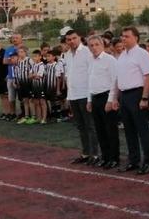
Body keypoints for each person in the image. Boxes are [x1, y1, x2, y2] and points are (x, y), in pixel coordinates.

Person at [113, 26, 149, 175]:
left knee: (142, 130)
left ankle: (148, 162)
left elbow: (148, 76)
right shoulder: (122, 55)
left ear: (136, 38)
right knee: (129, 130)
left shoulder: (142, 54)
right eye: (122, 36)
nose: (123, 39)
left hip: (137, 94)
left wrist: (144, 98)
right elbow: (118, 78)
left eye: (127, 36)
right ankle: (134, 160)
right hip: (124, 96)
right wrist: (116, 98)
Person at [64, 29, 100, 166]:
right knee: (81, 126)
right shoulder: (67, 54)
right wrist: (68, 96)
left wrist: (90, 97)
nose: (72, 41)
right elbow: (68, 76)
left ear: (80, 38)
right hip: (73, 95)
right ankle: (86, 153)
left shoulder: (87, 52)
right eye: (69, 39)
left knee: (90, 126)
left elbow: (92, 74)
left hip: (85, 95)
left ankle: (95, 154)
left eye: (74, 38)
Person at [86, 35, 120, 169]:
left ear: (102, 45)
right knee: (100, 130)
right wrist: (89, 100)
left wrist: (110, 100)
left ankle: (114, 158)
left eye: (97, 44)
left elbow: (114, 81)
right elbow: (90, 81)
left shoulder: (110, 60)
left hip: (106, 97)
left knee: (110, 130)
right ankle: (105, 157)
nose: (94, 47)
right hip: (95, 98)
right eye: (91, 45)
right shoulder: (90, 60)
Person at [14, 47, 34, 125]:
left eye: (22, 52)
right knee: (25, 100)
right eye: (19, 52)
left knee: (30, 100)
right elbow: (17, 72)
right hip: (21, 83)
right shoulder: (18, 61)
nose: (20, 53)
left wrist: (31, 76)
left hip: (29, 83)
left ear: (25, 52)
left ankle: (33, 116)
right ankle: (26, 116)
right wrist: (16, 81)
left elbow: (34, 68)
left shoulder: (29, 60)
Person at [43, 49, 64, 121]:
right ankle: (54, 115)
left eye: (49, 56)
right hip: (48, 87)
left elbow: (58, 78)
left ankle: (59, 116)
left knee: (56, 101)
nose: (47, 57)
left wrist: (58, 89)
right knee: (51, 101)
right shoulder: (46, 66)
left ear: (54, 57)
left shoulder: (56, 65)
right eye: (46, 56)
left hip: (54, 86)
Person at [29, 49, 47, 124]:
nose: (34, 58)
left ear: (40, 57)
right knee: (36, 102)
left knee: (42, 102)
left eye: (36, 56)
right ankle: (39, 118)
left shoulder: (42, 65)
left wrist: (33, 75)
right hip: (34, 86)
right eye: (33, 57)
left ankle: (44, 118)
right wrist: (34, 75)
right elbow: (29, 76)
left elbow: (39, 76)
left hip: (41, 86)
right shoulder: (33, 65)